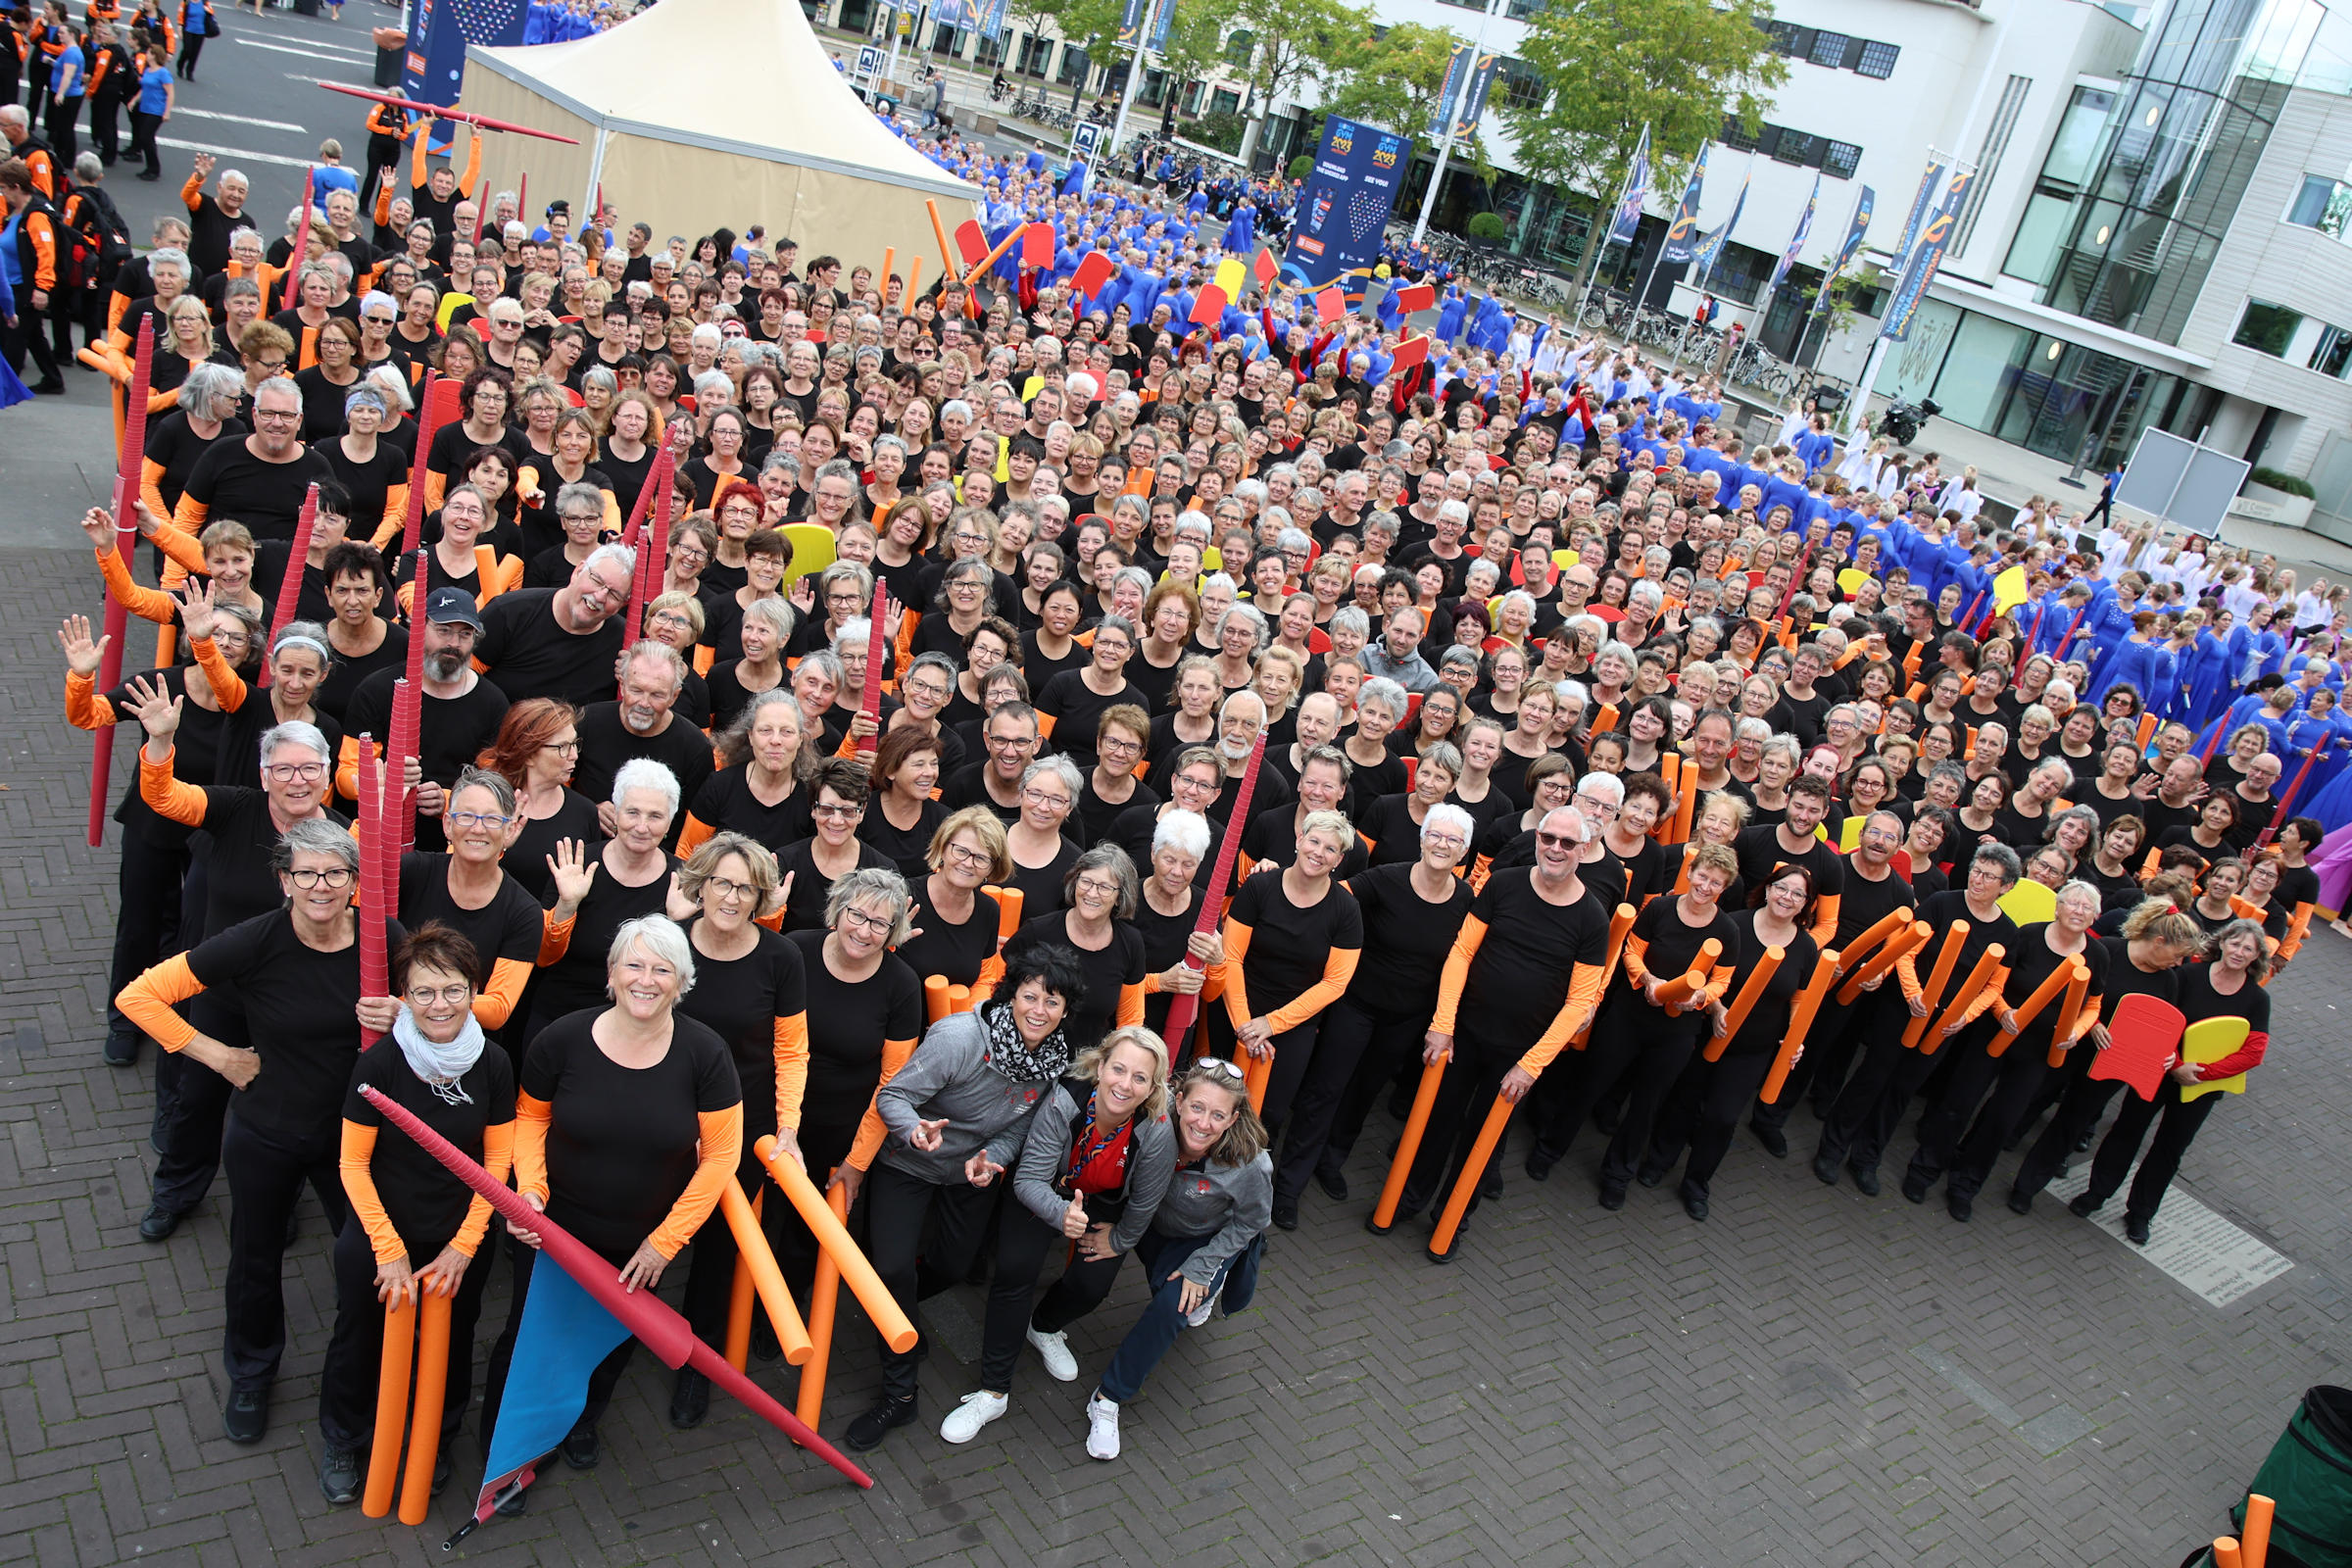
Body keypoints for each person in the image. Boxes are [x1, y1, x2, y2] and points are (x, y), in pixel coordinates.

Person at [114, 819, 401, 1443]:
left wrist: (403, 1014)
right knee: (254, 1260)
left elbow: (449, 1013)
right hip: (266, 1133)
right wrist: (220, 1057)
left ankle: (355, 1388)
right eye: (306, 873)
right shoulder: (253, 941)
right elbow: (138, 998)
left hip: (352, 1142)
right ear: (284, 881)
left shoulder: (385, 939)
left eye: (335, 873)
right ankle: (250, 1374)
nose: (321, 885)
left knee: (366, 1264)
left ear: (355, 882)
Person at [480, 915, 743, 1476]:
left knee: (610, 1338)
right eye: (634, 965)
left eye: (662, 970)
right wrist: (530, 1192)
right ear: (612, 971)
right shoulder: (562, 1038)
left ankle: (582, 1420)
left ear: (682, 981)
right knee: (527, 1335)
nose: (645, 980)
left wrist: (664, 1244)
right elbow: (531, 1118)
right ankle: (505, 1452)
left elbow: (722, 1157)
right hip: (554, 1230)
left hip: (641, 1242)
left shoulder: (706, 1054)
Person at [844, 937, 1089, 1451]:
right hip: (908, 1162)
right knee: (891, 1268)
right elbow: (893, 1096)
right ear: (1010, 994)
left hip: (970, 1172)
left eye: (1052, 1001)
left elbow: (1020, 1127)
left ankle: (897, 1310)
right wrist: (914, 1130)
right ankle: (899, 1392)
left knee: (953, 1267)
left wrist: (991, 1157)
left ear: (1066, 1011)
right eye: (1029, 996)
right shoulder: (959, 1039)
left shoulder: (1055, 1061)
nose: (1038, 1010)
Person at [316, 924, 514, 1503]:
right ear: (403, 995)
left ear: (473, 991)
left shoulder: (494, 1063)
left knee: (451, 1342)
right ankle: (345, 1438)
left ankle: (435, 1438)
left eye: (453, 990)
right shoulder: (380, 1064)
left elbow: (497, 1161)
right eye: (423, 992)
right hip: (381, 1232)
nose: (439, 1005)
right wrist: (388, 1250)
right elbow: (352, 1164)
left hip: (458, 1235)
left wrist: (464, 1245)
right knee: (359, 1335)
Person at [937, 1025, 1175, 1444]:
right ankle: (993, 1392)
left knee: (1092, 1284)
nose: (1125, 1084)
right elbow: (1028, 1178)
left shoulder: (1156, 1129)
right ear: (1100, 1066)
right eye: (1118, 1069)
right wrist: (1061, 1213)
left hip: (1102, 1200)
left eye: (1140, 1078)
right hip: (1046, 1187)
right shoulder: (1065, 1099)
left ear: (1152, 1087)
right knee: (1015, 1269)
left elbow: (1145, 1202)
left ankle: (1044, 1326)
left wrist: (1118, 1240)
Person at [662, 833, 807, 1426]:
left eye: (745, 888)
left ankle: (697, 1364)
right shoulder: (668, 942)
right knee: (644, 1232)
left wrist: (788, 1127)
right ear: (701, 884)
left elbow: (790, 1050)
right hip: (663, 1116)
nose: (731, 896)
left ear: (760, 897)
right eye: (721, 882)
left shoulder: (781, 958)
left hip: (741, 1128)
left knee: (719, 1251)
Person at [1526, 841, 1740, 1206]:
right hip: (1629, 1016)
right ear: (1690, 873)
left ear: (1725, 887)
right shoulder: (1660, 908)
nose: (1706, 887)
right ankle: (1549, 1149)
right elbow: (1632, 951)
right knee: (1590, 1084)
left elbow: (1722, 981)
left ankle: (1618, 1175)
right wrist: (1649, 980)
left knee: (1646, 1106)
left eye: (1716, 883)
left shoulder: (1727, 930)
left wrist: (1699, 998)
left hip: (1676, 1031)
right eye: (1703, 876)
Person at [1077, 1055, 1270, 1460]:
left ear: (1233, 1120)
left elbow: (1253, 1220)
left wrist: (1204, 1264)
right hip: (1143, 1218)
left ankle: (1108, 1398)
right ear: (1178, 1100)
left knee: (1171, 1307)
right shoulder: (1152, 1116)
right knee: (1100, 1268)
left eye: (1218, 1115)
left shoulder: (1250, 1163)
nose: (1204, 1124)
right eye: (1197, 1108)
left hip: (1196, 1239)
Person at [1295, 804, 1475, 1210]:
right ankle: (1296, 1168)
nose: (1442, 845)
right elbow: (1333, 896)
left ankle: (1332, 1159)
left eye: (1453, 840)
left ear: (1464, 851)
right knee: (1327, 1085)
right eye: (1435, 835)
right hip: (1355, 1004)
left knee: (1366, 1090)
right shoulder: (1387, 878)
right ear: (1422, 839)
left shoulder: (1466, 899)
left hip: (1406, 1018)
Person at [2070, 916, 2269, 1244]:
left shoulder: (2257, 999)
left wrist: (2201, 1072)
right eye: (2235, 943)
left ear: (2256, 955)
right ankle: (2097, 1193)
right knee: (2127, 1130)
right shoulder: (2188, 975)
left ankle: (2141, 1213)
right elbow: (2160, 1021)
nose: (2239, 952)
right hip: (2158, 1070)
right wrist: (2176, 1064)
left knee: (2170, 1148)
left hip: (2201, 1087)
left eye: (2248, 949)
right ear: (2222, 943)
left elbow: (2253, 1053)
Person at [1641, 861, 1822, 1220]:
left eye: (1798, 894)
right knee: (1683, 1101)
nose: (1787, 897)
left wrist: (1795, 1036)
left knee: (1722, 1118)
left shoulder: (1806, 947)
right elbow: (1707, 976)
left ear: (1806, 904)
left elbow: (1800, 997)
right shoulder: (1733, 925)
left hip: (1753, 1049)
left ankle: (1696, 1184)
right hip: (1707, 1032)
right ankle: (1659, 1160)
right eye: (1782, 888)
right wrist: (1716, 1008)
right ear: (1768, 889)